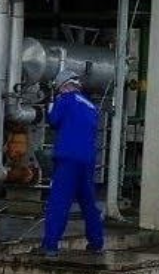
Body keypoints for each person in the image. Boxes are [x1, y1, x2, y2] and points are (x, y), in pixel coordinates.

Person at [40, 72, 105, 257]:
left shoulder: (66, 99)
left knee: (59, 202)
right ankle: (96, 243)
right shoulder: (91, 106)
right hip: (87, 160)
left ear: (64, 86)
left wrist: (52, 103)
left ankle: (50, 245)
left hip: (68, 158)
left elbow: (53, 120)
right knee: (88, 203)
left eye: (60, 89)